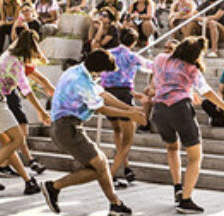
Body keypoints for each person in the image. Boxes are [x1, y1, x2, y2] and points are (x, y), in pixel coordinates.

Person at [40, 49, 147, 216]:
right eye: (103, 71)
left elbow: (104, 95)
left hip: (67, 127)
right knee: (101, 166)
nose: (103, 75)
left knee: (101, 165)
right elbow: (102, 108)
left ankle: (116, 204)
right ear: (98, 68)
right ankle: (53, 187)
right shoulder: (81, 81)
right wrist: (129, 115)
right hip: (67, 128)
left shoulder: (77, 71)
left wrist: (130, 108)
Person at [151, 36, 224, 213]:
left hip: (159, 110)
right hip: (180, 110)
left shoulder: (161, 59)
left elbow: (157, 77)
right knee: (195, 157)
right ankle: (186, 199)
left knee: (172, 148)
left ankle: (177, 187)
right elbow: (207, 92)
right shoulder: (192, 69)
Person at [0, 29, 51, 193]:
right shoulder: (16, 62)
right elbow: (26, 90)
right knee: (18, 139)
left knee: (9, 144)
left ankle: (29, 182)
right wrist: (41, 112)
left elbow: (28, 46)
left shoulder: (7, 54)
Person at [100, 27, 153, 188]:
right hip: (123, 95)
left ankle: (126, 167)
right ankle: (111, 175)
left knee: (117, 131)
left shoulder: (109, 53)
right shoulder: (131, 56)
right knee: (128, 140)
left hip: (108, 94)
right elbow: (150, 66)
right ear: (134, 42)